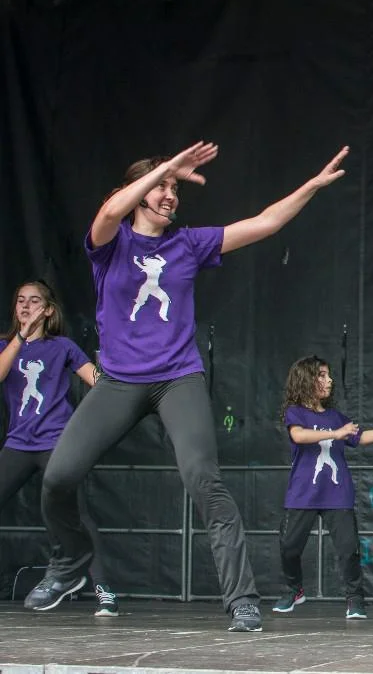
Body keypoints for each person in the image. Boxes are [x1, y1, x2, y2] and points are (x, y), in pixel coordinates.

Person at [27, 141, 350, 632]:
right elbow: (110, 211)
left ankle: (242, 600)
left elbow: (265, 223)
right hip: (118, 381)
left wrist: (312, 186)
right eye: (161, 186)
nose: (170, 195)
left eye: (175, 188)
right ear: (136, 193)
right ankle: (70, 563)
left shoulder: (187, 244)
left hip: (177, 377)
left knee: (204, 480)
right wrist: (167, 168)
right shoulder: (111, 243)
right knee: (57, 478)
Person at [0, 280, 120, 616]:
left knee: (76, 513)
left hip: (56, 441)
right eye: (20, 300)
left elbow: (98, 381)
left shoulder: (62, 346)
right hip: (18, 443)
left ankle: (103, 588)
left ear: (49, 310)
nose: (26, 306)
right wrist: (20, 337)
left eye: (34, 301)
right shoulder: (6, 345)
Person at [272, 355, 373, 619]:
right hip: (303, 493)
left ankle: (355, 599)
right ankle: (294, 590)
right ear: (306, 379)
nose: (329, 380)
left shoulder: (336, 417)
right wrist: (335, 434)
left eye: (329, 375)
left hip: (337, 493)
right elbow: (298, 435)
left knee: (348, 550)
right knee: (289, 546)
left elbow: (361, 437)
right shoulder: (295, 412)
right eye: (322, 375)